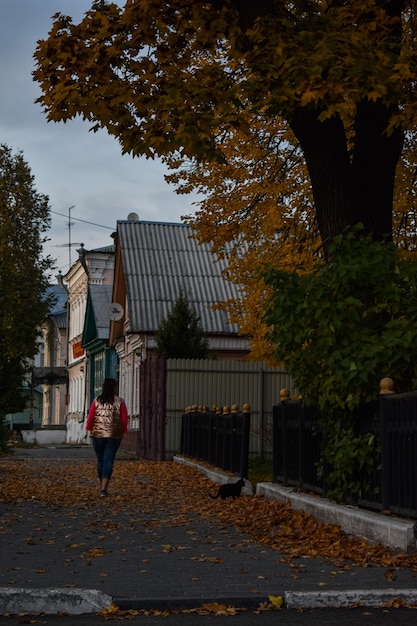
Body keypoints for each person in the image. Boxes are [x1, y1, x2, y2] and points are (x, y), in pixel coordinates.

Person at [86, 377, 128, 497]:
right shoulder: (120, 402)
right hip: (114, 435)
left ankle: (102, 486)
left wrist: (89, 428)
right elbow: (124, 418)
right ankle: (104, 488)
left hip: (97, 435)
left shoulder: (96, 400)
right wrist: (123, 430)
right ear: (114, 388)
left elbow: (91, 416)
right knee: (108, 460)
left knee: (101, 461)